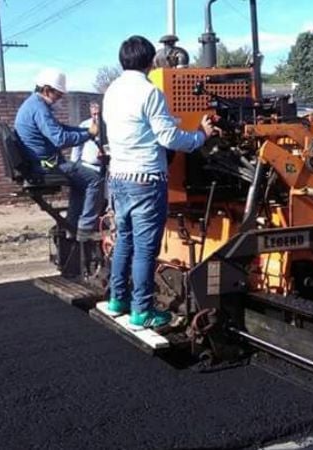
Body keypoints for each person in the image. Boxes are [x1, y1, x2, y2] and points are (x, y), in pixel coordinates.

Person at [102, 35, 217, 330]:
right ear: (151, 61)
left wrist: (170, 119)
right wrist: (200, 134)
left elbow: (133, 127)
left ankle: (118, 300)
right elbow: (168, 139)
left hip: (119, 178)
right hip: (146, 180)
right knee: (144, 249)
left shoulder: (111, 91)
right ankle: (142, 311)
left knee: (124, 240)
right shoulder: (150, 92)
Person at [14, 68, 102, 241]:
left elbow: (60, 129)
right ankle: (86, 228)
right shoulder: (39, 108)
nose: (60, 99)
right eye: (59, 94)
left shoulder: (32, 105)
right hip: (46, 165)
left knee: (80, 183)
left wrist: (84, 130)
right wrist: (89, 134)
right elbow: (60, 139)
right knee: (95, 179)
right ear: (47, 90)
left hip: (39, 163)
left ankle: (71, 226)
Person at [71, 101, 107, 216]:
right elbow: (77, 149)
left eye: (98, 114)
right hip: (88, 166)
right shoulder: (84, 125)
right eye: (94, 114)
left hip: (106, 168)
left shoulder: (109, 126)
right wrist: (74, 166)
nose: (96, 117)